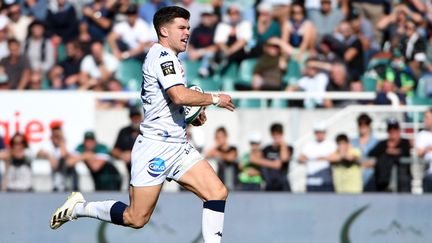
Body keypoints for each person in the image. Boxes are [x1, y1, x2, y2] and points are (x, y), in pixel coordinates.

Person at [50, 6, 235, 243]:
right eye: (181, 28)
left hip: (177, 145)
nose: (187, 32)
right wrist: (215, 98)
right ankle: (79, 208)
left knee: (217, 192)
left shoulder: (172, 58)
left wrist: (190, 115)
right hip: (154, 147)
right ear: (164, 31)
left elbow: (172, 102)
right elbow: (179, 95)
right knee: (135, 218)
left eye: (188, 28)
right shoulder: (162, 57)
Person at [368, 118, 412, 192]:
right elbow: (371, 153)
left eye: (395, 130)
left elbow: (405, 153)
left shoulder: (405, 142)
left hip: (402, 182)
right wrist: (387, 151)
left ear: (399, 131)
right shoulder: (383, 144)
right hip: (383, 184)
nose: (393, 132)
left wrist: (390, 151)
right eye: (390, 130)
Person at [37, 121, 77, 191]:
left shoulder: (67, 145)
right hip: (52, 185)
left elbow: (65, 156)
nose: (56, 139)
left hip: (67, 184)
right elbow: (38, 153)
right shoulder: (48, 146)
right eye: (54, 136)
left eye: (58, 136)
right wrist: (49, 156)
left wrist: (62, 143)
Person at [299, 122, 337, 192]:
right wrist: (313, 159)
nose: (319, 134)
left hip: (326, 181)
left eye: (322, 132)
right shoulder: (309, 145)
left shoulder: (331, 144)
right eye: (317, 132)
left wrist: (323, 158)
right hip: (311, 181)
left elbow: (336, 157)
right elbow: (301, 158)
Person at [351, 113, 378, 191]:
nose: (363, 126)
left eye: (365, 124)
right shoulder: (352, 142)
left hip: (370, 180)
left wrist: (360, 162)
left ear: (369, 125)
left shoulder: (376, 142)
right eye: (360, 124)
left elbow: (376, 161)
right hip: (355, 180)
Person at [261, 123, 292, 191]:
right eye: (275, 134)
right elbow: (258, 161)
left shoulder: (288, 148)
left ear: (282, 134)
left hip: (283, 185)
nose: (277, 137)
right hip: (269, 184)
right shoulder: (266, 149)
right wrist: (273, 164)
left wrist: (282, 144)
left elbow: (284, 159)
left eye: (279, 134)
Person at [111, 106, 142, 173]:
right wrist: (122, 155)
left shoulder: (147, 130)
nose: (135, 119)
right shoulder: (124, 131)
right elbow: (114, 150)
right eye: (133, 117)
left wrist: (133, 155)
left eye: (137, 116)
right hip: (129, 169)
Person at [415, 108, 432, 192]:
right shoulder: (422, 135)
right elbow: (419, 153)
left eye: (427, 117)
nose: (424, 120)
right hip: (429, 174)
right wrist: (427, 149)